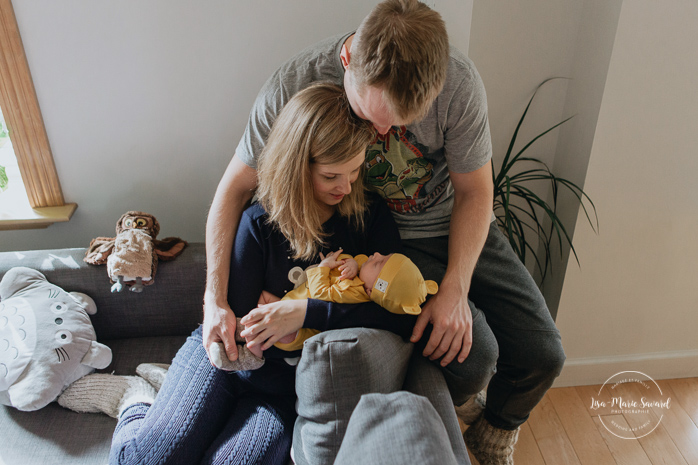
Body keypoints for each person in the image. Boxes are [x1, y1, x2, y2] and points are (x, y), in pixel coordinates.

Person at [203, 1, 566, 464]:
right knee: (477, 354)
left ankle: (494, 430)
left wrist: (455, 287)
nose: (381, 131)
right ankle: (457, 398)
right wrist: (214, 298)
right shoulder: (293, 83)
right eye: (371, 114)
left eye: (399, 123)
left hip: (450, 224)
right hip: (379, 238)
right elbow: (233, 188)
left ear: (438, 84)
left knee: (544, 353)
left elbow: (476, 192)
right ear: (348, 61)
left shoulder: (460, 84)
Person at [59, 82, 432, 464]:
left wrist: (302, 312)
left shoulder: (369, 218)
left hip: (279, 390)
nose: (346, 186)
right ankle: (135, 400)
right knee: (147, 460)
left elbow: (399, 315)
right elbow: (241, 324)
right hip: (220, 357)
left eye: (354, 170)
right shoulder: (258, 223)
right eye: (331, 176)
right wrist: (275, 322)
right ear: (298, 168)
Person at [211, 249, 438, 370]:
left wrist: (322, 268)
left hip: (298, 328)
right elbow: (359, 260)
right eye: (383, 256)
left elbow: (320, 293)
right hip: (288, 302)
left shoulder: (352, 292)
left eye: (379, 263)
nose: (376, 255)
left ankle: (249, 357)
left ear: (372, 291)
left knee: (266, 329)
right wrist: (355, 264)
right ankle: (238, 331)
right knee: (261, 303)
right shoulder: (363, 277)